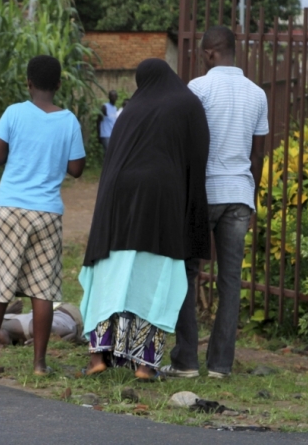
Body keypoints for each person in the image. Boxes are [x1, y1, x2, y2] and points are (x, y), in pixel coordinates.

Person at [79, 58, 210, 380]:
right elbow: (198, 155)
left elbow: (111, 163)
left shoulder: (130, 111)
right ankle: (144, 364)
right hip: (161, 201)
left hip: (118, 203)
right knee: (156, 275)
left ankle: (98, 356)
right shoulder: (186, 103)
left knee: (112, 273)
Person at [164, 26, 269, 379]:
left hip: (204, 193)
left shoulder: (198, 88)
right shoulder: (257, 94)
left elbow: (188, 144)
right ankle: (221, 366)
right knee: (230, 281)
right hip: (240, 196)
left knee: (186, 272)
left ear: (210, 53)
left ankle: (187, 361)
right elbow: (257, 155)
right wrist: (250, 196)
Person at [0, 55, 86, 377]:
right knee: (43, 290)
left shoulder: (14, 113)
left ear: (28, 83)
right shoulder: (68, 121)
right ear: (59, 85)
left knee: (0, 286)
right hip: (46, 213)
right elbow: (77, 169)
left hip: (8, 209)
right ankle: (39, 364)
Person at [0, 303, 83, 348]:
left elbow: (72, 335)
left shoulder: (33, 328)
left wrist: (45, 341)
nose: (1, 347)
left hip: (69, 314)